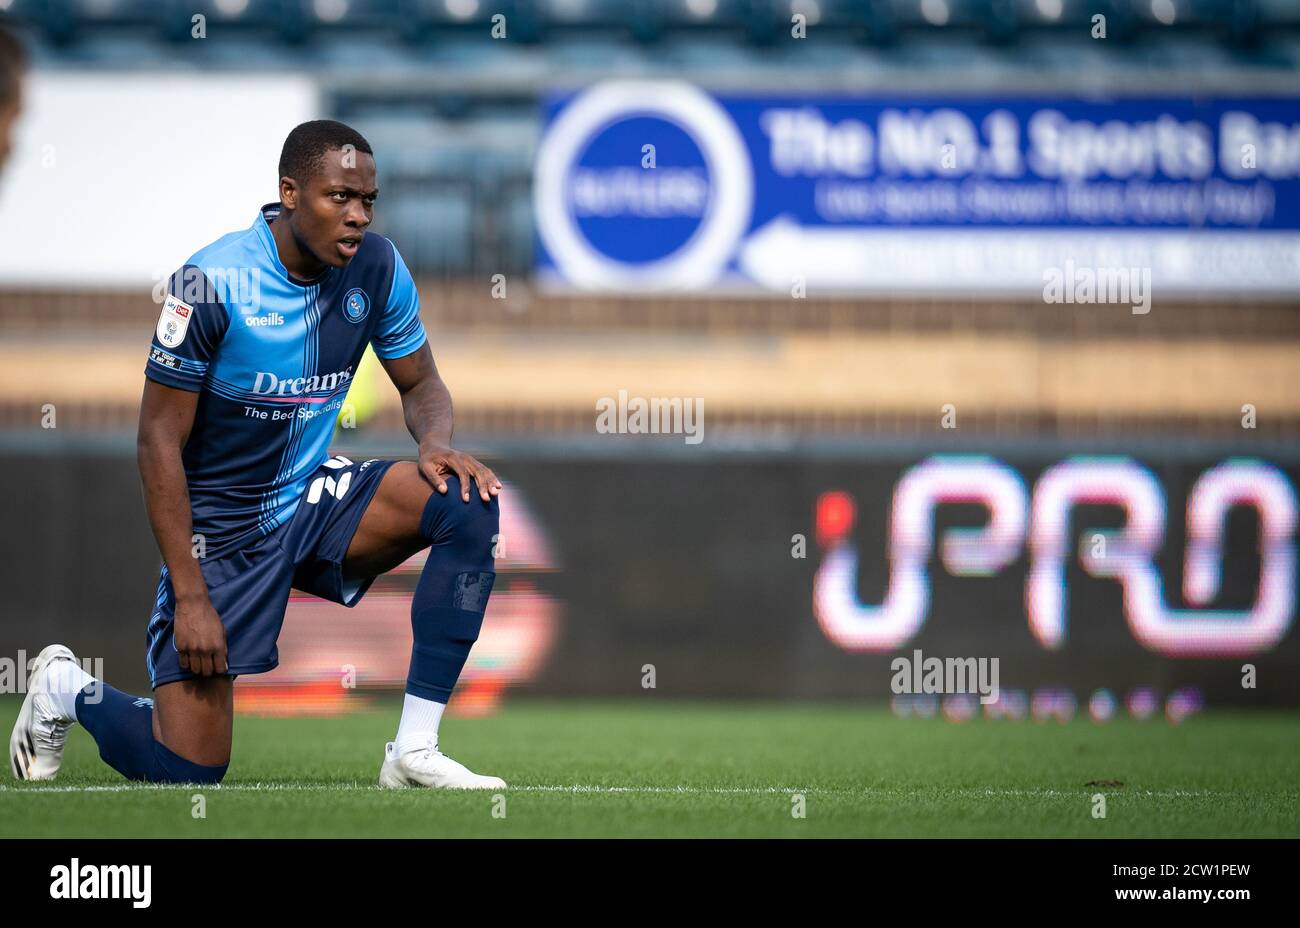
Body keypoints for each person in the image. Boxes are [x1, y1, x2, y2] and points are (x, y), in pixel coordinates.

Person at [11, 120, 507, 789]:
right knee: (185, 770)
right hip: (221, 530)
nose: (358, 216)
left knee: (466, 503)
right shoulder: (208, 283)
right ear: (290, 192)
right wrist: (191, 597)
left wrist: (437, 443)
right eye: (339, 198)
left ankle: (413, 752)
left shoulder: (378, 267)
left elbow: (421, 383)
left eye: (368, 200)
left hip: (309, 496)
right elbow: (156, 440)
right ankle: (66, 688)